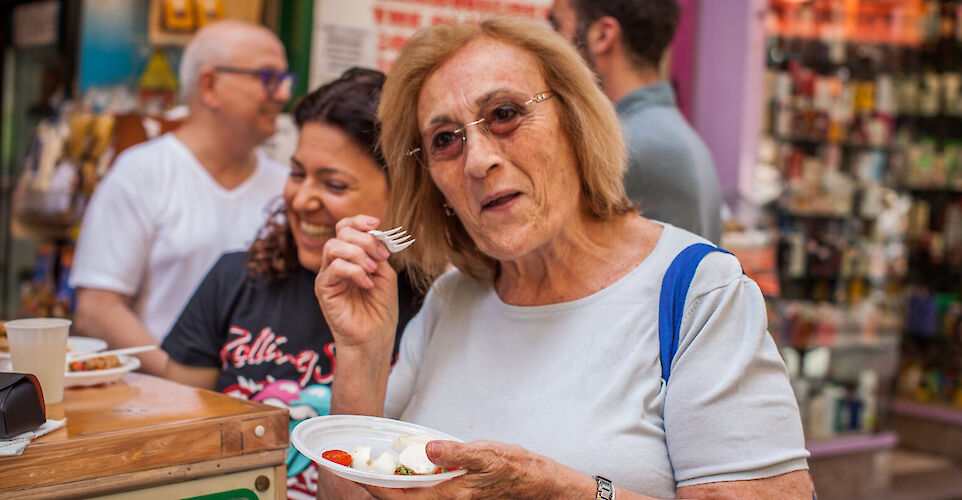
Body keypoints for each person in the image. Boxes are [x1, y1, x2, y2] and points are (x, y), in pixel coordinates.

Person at [314, 17, 812, 500]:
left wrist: (563, 492)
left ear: (574, 123)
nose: (477, 160)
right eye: (445, 139)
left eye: (505, 114)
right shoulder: (452, 299)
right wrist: (362, 352)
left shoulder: (696, 292)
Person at [162, 68, 422, 500]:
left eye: (334, 183)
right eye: (298, 173)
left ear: (404, 193)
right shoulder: (234, 279)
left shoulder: (433, 308)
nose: (302, 200)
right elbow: (173, 434)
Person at [69, 20, 292, 376]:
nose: (282, 94)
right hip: (158, 406)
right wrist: (180, 375)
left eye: (284, 80)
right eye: (267, 77)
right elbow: (97, 308)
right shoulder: (141, 173)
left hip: (262, 406)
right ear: (210, 85)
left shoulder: (287, 187)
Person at [548, 0, 724, 243]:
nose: (549, 46)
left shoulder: (627, 147)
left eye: (556, 27)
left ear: (602, 35)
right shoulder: (674, 136)